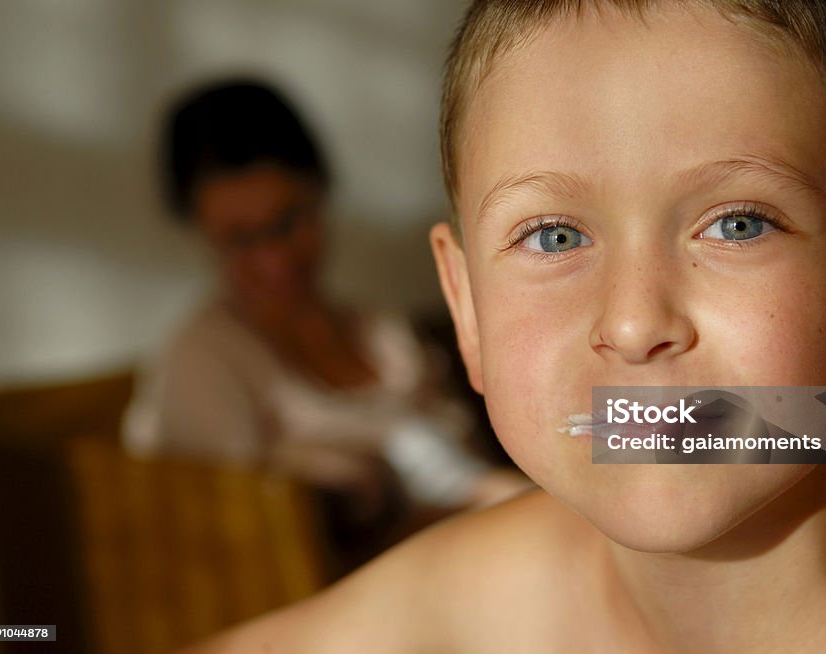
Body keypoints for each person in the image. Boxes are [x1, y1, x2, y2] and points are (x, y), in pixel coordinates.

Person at [182, 0, 826, 652]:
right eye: (554, 236)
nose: (636, 323)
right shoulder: (463, 604)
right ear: (466, 312)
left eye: (739, 223)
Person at [123, 79, 527, 519]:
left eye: (289, 222)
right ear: (200, 233)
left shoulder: (383, 332)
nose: (274, 260)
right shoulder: (202, 364)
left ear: (320, 192)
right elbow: (238, 541)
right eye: (239, 240)